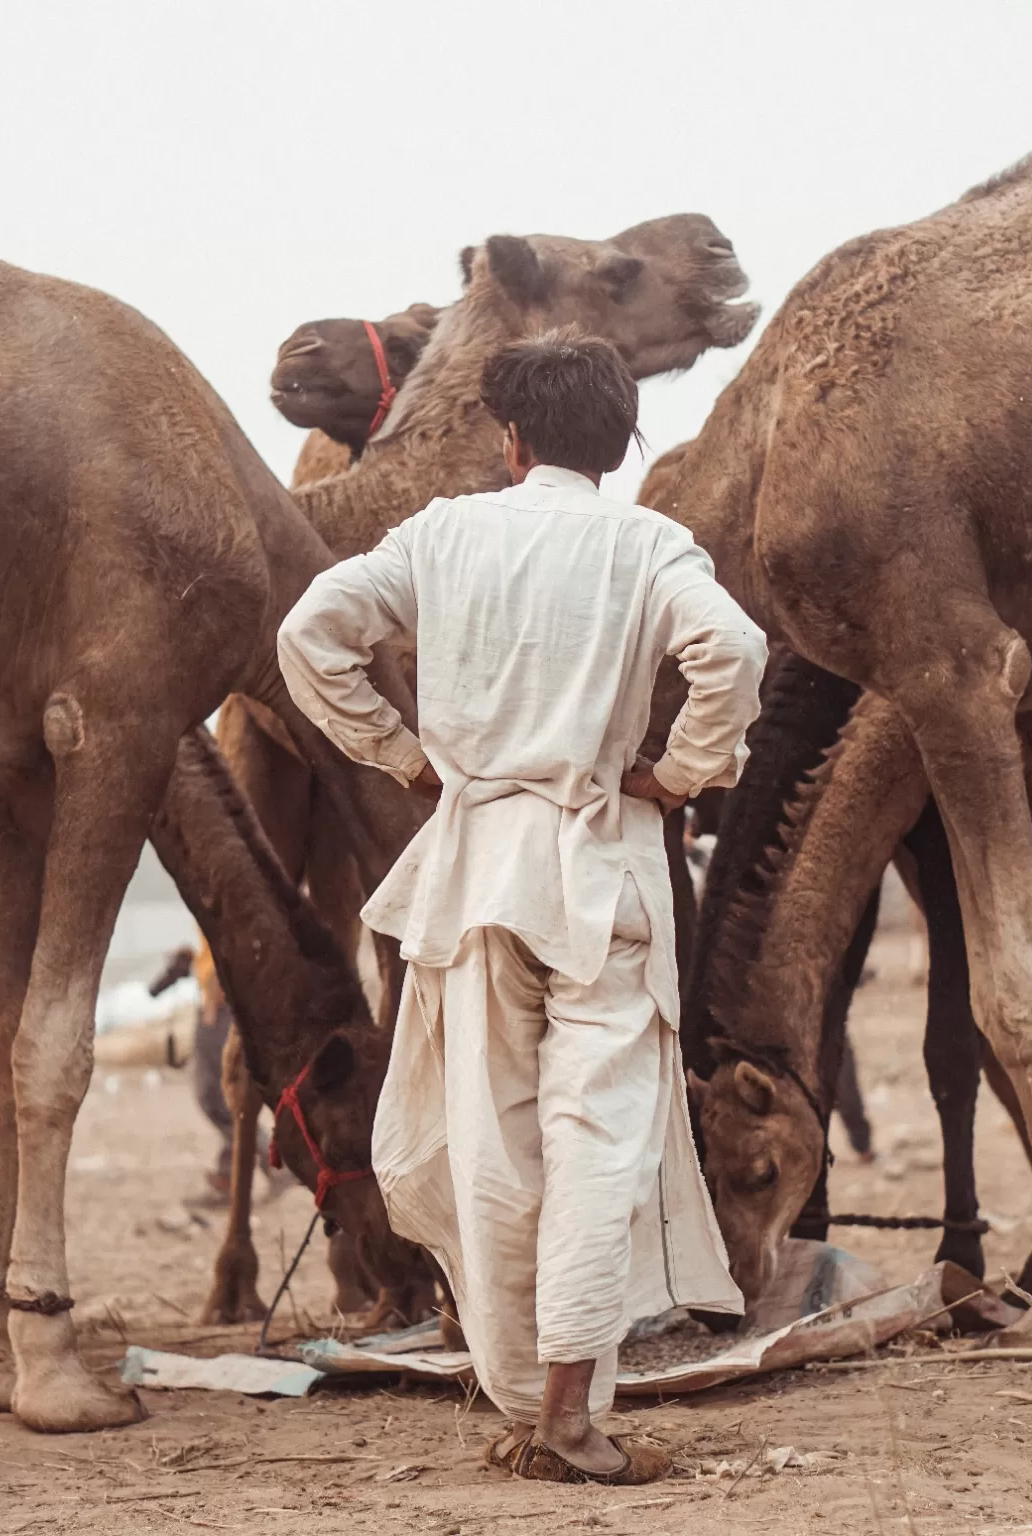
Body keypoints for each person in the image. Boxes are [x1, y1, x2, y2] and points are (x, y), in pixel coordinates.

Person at [278, 329, 765, 1485]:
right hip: (602, 871)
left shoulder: (443, 534)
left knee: (492, 1141)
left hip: (477, 870)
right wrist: (679, 774)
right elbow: (733, 652)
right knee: (597, 1138)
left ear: (509, 439)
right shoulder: (649, 544)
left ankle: (522, 1397)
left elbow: (311, 634)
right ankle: (565, 1408)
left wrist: (397, 754)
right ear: (620, 441)